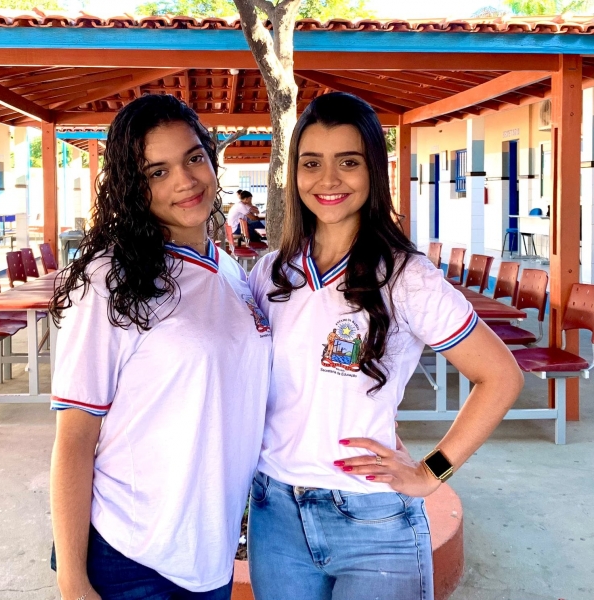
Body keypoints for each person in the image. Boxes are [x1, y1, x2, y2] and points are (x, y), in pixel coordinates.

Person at [247, 92, 523, 600]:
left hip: (372, 519)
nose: (328, 180)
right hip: (274, 511)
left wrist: (430, 473)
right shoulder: (271, 273)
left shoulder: (406, 276)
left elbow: (501, 376)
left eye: (348, 162)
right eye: (312, 163)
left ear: (374, 170)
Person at [49, 94, 272, 600]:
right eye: (157, 171)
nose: (185, 181)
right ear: (132, 186)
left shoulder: (231, 271)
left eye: (194, 158)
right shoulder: (110, 279)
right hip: (130, 557)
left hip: (209, 555)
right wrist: (73, 582)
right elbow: (75, 438)